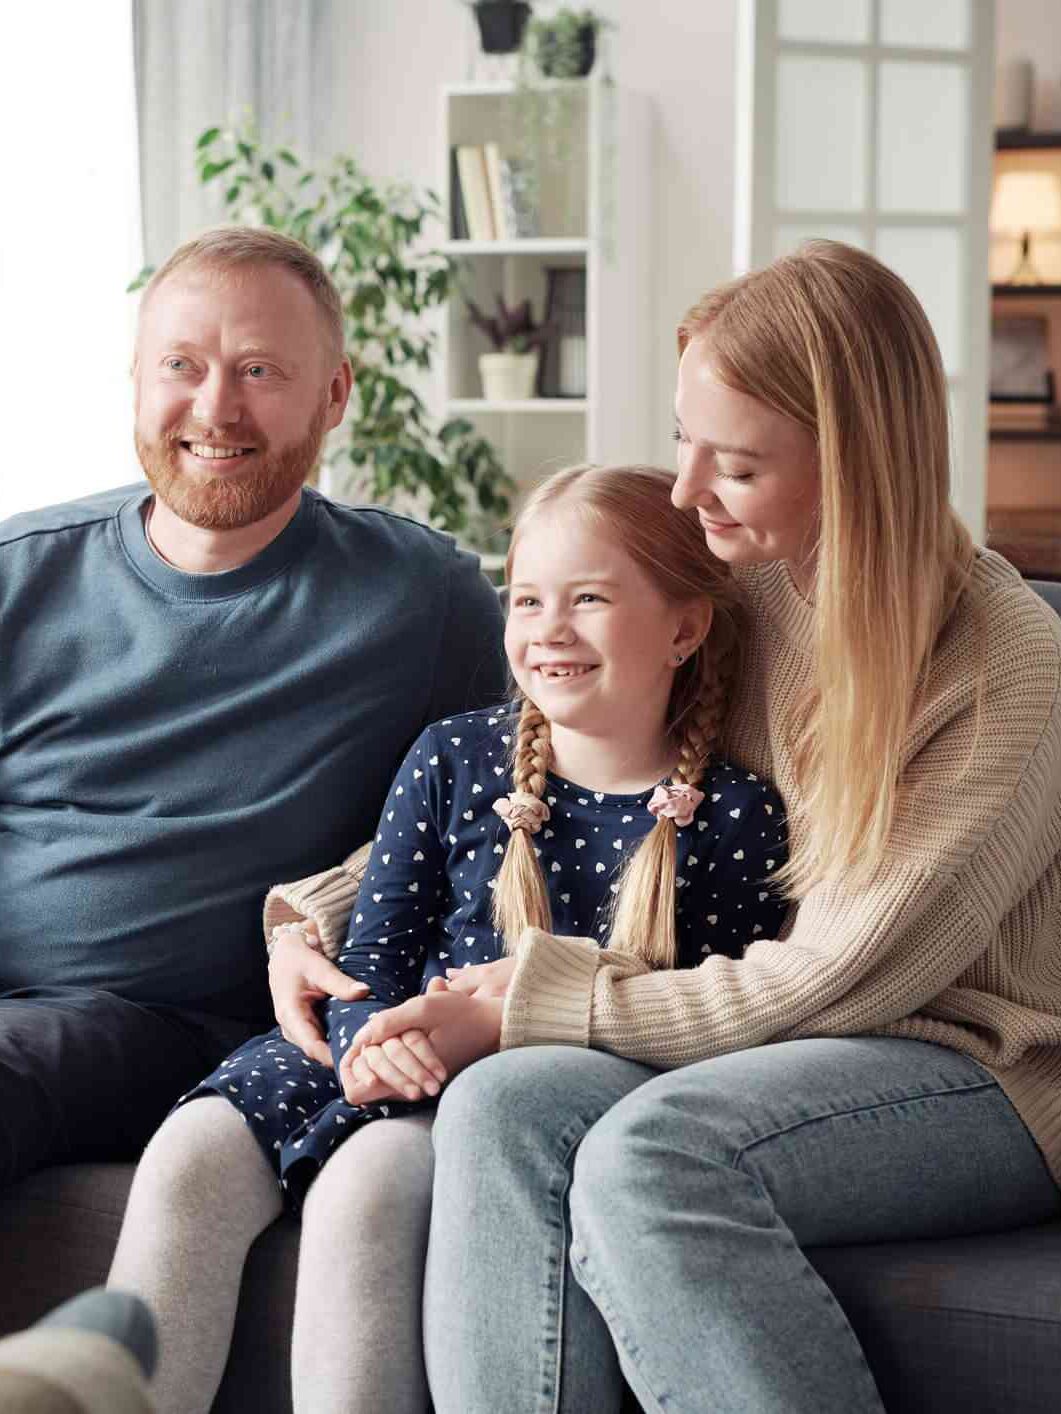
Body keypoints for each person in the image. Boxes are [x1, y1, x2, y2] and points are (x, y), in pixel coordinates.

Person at [346, 241, 1061, 1414]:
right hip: (784, 1040)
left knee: (653, 1157)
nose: (684, 492)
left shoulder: (1002, 673)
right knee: (500, 1102)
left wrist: (532, 996)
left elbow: (840, 980)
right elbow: (574, 755)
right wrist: (323, 902)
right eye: (685, 438)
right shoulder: (748, 597)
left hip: (971, 1069)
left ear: (856, 462)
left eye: (732, 462)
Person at [108, 463, 790, 1414]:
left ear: (684, 627)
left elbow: (686, 1017)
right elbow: (378, 946)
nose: (548, 629)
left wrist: (424, 1067)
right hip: (368, 1038)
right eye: (527, 600)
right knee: (188, 1156)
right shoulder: (454, 756)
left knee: (365, 1193)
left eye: (588, 599)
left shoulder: (733, 813)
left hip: (489, 1089)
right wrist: (369, 1052)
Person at [0, 223, 505, 1187]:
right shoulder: (19, 574)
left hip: (177, 1027)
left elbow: (500, 818)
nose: (214, 407)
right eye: (181, 365)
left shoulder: (423, 600)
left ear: (336, 394)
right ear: (139, 380)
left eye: (260, 370)